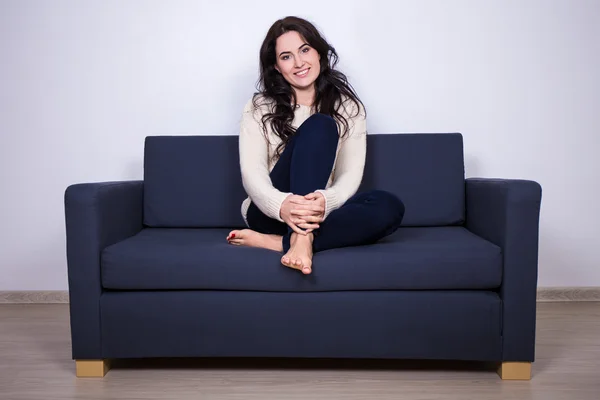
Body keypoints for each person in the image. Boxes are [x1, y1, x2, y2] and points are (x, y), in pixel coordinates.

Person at [227, 16, 405, 275]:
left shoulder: (349, 108)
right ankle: (298, 238)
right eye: (286, 57)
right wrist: (283, 205)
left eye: (305, 50)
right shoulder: (258, 108)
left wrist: (324, 201)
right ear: (276, 66)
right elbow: (252, 175)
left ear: (319, 53)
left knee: (389, 206)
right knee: (320, 126)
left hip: (319, 212)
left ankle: (287, 242)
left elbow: (349, 176)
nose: (299, 63)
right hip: (270, 213)